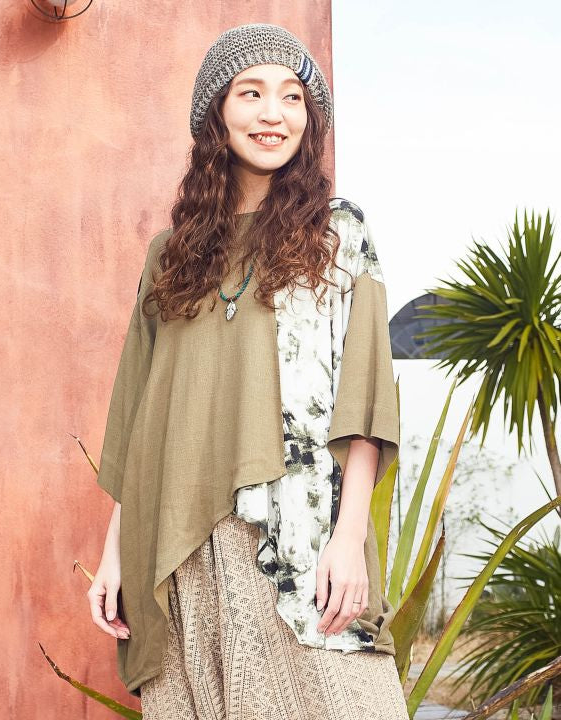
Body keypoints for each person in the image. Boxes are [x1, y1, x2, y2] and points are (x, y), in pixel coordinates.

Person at [87, 22, 409, 720]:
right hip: (181, 542)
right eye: (252, 93)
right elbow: (140, 411)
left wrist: (348, 539)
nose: (274, 113)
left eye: (292, 97)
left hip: (298, 534)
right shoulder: (171, 255)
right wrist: (116, 551)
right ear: (217, 111)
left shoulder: (337, 234)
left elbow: (365, 397)